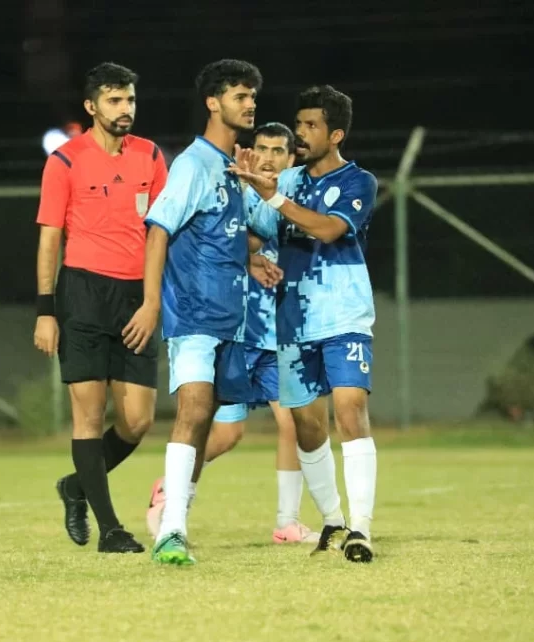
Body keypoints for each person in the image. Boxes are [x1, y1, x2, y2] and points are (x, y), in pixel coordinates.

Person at [121, 59, 281, 565]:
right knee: (193, 408)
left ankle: (176, 516)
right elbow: (159, 229)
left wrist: (252, 238)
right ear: (213, 103)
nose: (250, 105)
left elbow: (249, 231)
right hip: (192, 312)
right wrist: (151, 303)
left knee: (211, 419)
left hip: (232, 316)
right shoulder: (193, 164)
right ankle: (170, 532)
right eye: (240, 96)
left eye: (252, 96)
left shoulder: (233, 166)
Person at [144, 122, 319, 545]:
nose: (268, 158)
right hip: (237, 328)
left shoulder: (293, 195)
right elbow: (241, 237)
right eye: (262, 149)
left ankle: (287, 521)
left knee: (293, 420)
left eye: (278, 151)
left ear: (292, 158)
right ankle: (171, 491)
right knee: (225, 433)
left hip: (275, 333)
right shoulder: (240, 187)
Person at [232, 85, 379, 563]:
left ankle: (361, 529)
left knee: (350, 411)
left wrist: (274, 198)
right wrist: (243, 200)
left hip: (343, 314)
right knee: (306, 425)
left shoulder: (358, 181)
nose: (301, 133)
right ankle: (333, 520)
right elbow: (255, 234)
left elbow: (330, 229)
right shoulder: (287, 180)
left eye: (311, 126)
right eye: (299, 124)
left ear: (335, 135)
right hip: (293, 321)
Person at [33, 62, 168, 554]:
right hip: (84, 294)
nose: (124, 108)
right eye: (114, 100)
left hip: (136, 296)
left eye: (129, 99)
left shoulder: (151, 155)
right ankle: (111, 529)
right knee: (87, 416)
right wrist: (46, 311)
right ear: (91, 107)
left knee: (138, 420)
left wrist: (152, 300)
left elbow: (160, 232)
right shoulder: (64, 161)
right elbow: (50, 240)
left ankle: (75, 486)